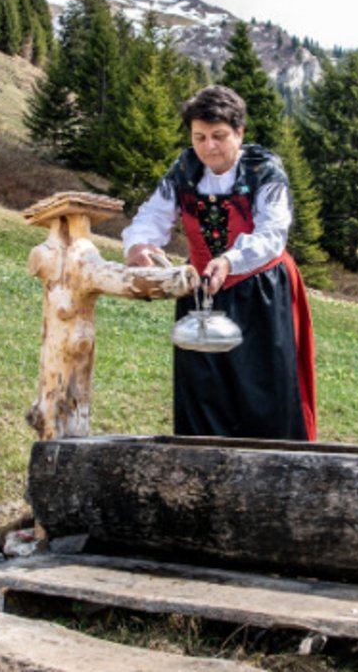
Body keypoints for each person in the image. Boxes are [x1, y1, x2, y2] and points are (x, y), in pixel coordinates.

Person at [123, 85, 316, 441]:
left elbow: (273, 232)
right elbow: (154, 214)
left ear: (239, 133)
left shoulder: (264, 170)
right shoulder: (185, 168)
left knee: (263, 391)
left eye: (219, 136)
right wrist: (139, 244)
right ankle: (204, 477)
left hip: (259, 289)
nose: (208, 146)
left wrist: (230, 260)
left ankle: (273, 477)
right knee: (203, 391)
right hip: (199, 291)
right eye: (199, 137)